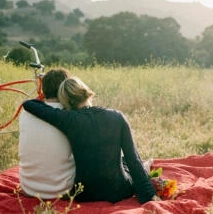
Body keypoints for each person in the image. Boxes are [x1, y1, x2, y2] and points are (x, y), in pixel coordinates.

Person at [22, 77, 158, 203]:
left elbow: (29, 104)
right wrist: (149, 195)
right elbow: (133, 159)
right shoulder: (117, 117)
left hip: (84, 194)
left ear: (67, 101)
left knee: (122, 162)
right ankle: (147, 164)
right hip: (118, 191)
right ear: (86, 92)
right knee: (131, 163)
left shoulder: (68, 119)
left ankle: (146, 164)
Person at [18, 68, 75, 199]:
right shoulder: (70, 116)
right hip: (62, 191)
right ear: (66, 89)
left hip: (28, 188)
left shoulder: (26, 113)